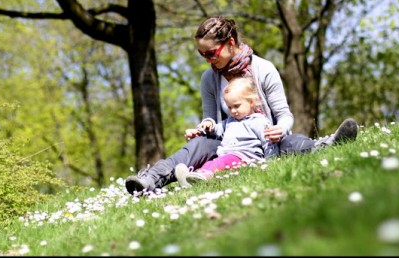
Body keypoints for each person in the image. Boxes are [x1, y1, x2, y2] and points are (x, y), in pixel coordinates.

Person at [125, 16, 358, 195]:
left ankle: (327, 145)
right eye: (201, 54)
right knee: (195, 146)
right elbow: (211, 119)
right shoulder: (210, 78)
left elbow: (284, 115)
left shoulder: (263, 69)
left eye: (211, 52)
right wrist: (205, 125)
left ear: (231, 43)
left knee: (291, 142)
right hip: (227, 142)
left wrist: (281, 129)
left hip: (266, 140)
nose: (208, 59)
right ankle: (150, 180)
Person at [175, 77, 278, 186]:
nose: (233, 111)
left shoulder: (259, 122)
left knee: (219, 163)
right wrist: (208, 127)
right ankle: (191, 179)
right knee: (211, 163)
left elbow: (268, 143)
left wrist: (270, 162)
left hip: (244, 158)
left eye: (237, 106)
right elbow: (218, 130)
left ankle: (201, 176)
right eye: (229, 107)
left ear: (251, 102)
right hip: (227, 156)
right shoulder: (230, 121)